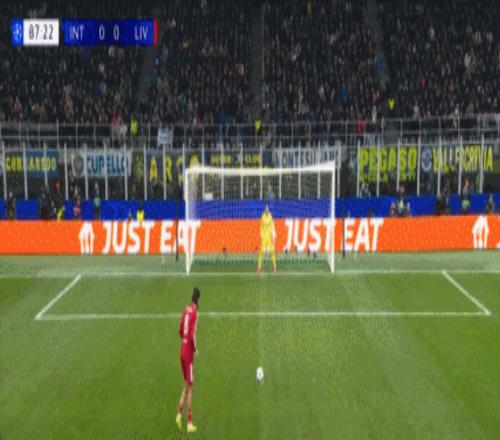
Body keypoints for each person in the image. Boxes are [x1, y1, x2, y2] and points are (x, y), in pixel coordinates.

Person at [176, 288, 200, 433]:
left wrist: (184, 341)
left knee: (187, 384)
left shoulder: (186, 309)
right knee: (191, 387)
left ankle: (179, 414)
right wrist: (195, 349)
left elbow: (180, 329)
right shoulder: (195, 313)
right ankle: (189, 422)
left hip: (182, 349)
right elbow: (192, 334)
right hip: (188, 353)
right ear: (199, 300)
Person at [257, 203, 277, 273]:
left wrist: (272, 235)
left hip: (269, 237)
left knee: (272, 252)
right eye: (266, 208)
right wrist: (261, 233)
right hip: (264, 237)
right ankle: (259, 268)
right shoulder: (262, 216)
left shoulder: (270, 216)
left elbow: (272, 226)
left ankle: (274, 267)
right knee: (261, 252)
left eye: (267, 208)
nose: (266, 209)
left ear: (268, 209)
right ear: (264, 209)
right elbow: (261, 226)